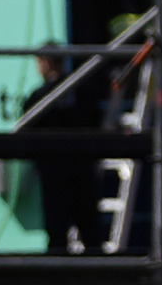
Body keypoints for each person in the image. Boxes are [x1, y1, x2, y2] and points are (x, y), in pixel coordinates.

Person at [25, 44, 111, 254]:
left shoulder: (39, 97)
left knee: (58, 231)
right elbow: (96, 123)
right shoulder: (83, 91)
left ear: (44, 63)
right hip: (81, 167)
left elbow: (26, 134)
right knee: (89, 229)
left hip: (54, 170)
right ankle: (98, 277)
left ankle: (58, 279)